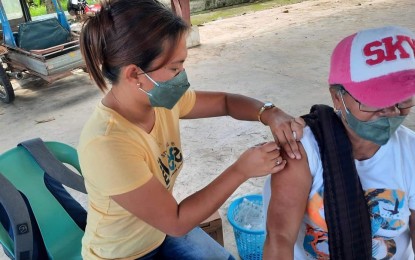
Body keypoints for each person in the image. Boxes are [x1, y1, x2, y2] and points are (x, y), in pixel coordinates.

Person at [78, 0, 305, 259]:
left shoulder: (159, 101)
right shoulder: (107, 144)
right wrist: (242, 170)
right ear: (134, 75)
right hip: (123, 253)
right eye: (174, 68)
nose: (182, 76)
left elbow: (225, 102)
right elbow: (176, 221)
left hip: (159, 234)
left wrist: (269, 112)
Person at [263, 25, 415, 260]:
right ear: (337, 97)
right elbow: (280, 238)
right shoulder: (302, 151)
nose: (391, 113)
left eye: (402, 100)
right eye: (375, 101)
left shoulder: (411, 150)